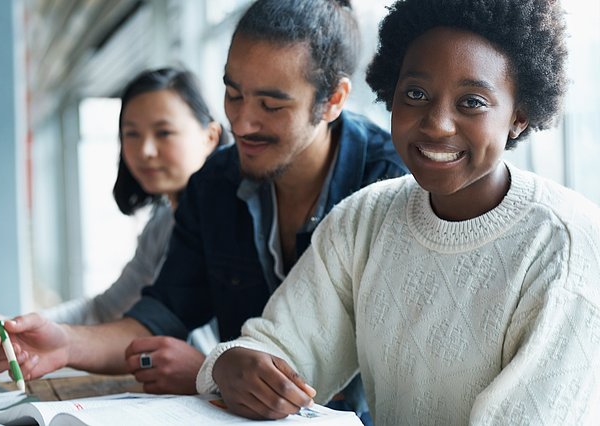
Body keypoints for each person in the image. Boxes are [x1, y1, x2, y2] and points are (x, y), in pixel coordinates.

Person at [0, 0, 406, 420]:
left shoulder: (390, 187)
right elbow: (159, 316)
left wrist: (208, 371)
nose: (241, 123)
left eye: (271, 106)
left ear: (333, 99)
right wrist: (65, 344)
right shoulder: (214, 184)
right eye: (233, 93)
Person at [197, 0, 600, 423]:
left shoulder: (567, 245)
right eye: (416, 94)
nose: (437, 123)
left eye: (473, 102)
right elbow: (282, 346)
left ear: (518, 116)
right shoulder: (363, 219)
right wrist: (236, 363)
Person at [41, 66, 226, 330]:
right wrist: (24, 328)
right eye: (131, 134)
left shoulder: (225, 221)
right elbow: (105, 309)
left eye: (164, 133)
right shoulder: (161, 223)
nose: (145, 150)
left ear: (210, 137)